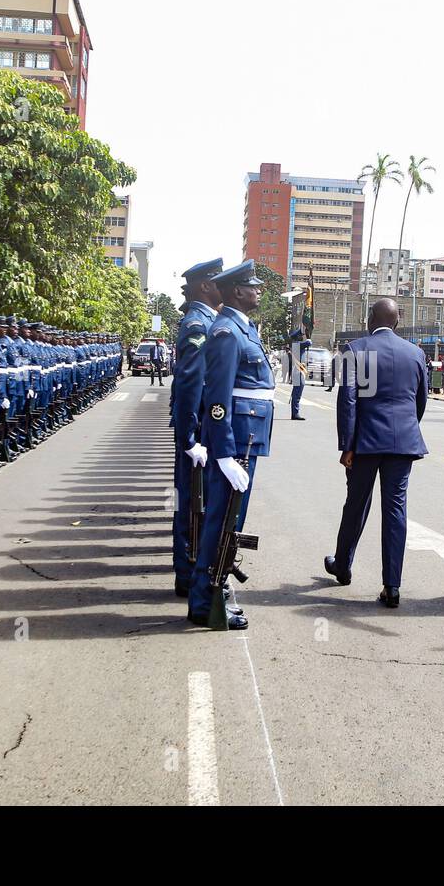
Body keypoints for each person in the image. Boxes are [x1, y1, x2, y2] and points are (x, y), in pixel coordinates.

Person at [324, 298, 428, 607]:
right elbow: (420, 401)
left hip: (366, 443)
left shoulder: (357, 350)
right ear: (397, 322)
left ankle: (342, 566)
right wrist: (404, 430)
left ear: (371, 319)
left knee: (355, 504)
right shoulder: (416, 353)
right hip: (403, 442)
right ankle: (392, 586)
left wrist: (347, 445)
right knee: (396, 511)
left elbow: (349, 400)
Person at [187, 260, 273, 631]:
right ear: (237, 291)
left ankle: (214, 594)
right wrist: (223, 454)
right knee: (220, 522)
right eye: (253, 286)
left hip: (247, 440)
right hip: (235, 442)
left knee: (229, 523)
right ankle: (205, 601)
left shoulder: (243, 329)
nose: (259, 291)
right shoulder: (226, 333)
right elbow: (217, 399)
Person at [170, 257, 223, 599]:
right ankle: (187, 573)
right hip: (198, 429)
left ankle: (189, 569)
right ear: (205, 286)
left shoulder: (207, 320)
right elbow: (190, 383)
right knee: (191, 501)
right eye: (219, 281)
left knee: (197, 501)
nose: (225, 286)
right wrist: (189, 438)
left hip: (203, 426)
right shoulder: (198, 324)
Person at [288, 327, 310, 420]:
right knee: (297, 395)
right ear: (297, 337)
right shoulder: (297, 344)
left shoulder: (297, 344)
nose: (302, 337)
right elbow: (309, 342)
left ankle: (295, 412)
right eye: (301, 335)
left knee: (297, 394)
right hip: (298, 372)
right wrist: (309, 337)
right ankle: (295, 413)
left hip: (300, 371)